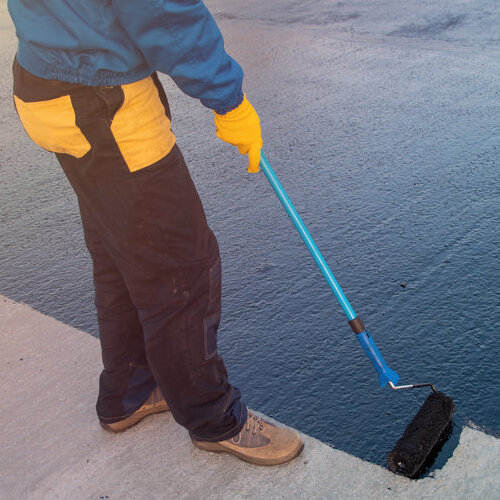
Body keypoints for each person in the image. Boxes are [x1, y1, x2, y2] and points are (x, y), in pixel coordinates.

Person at [7, 0, 304, 466]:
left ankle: (130, 392)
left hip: (48, 83)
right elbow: (163, 10)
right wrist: (228, 98)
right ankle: (212, 417)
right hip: (103, 99)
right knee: (181, 268)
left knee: (121, 253)